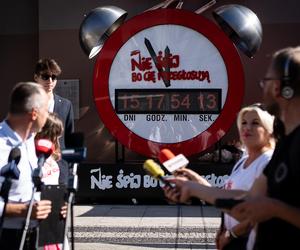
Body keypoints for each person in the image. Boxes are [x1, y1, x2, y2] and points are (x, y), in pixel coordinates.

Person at [164, 47, 300, 249]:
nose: (263, 87)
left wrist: (274, 208)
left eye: (267, 81)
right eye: (244, 123)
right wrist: (194, 188)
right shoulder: (284, 146)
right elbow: (247, 204)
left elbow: (260, 207)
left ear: (280, 88)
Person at [168, 104, 275, 250]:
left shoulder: (267, 162)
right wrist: (195, 181)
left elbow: (256, 213)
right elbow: (225, 197)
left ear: (269, 129)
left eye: (255, 123)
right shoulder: (243, 161)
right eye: (243, 122)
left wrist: (231, 235)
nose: (247, 127)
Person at [0, 82, 52, 250]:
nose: (49, 115)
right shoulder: (1, 144)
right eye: (46, 109)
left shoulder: (30, 141)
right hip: (6, 237)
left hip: (33, 235)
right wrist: (23, 210)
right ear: (34, 113)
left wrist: (53, 208)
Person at [34, 58, 74, 185]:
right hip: (35, 163)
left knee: (59, 204)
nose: (50, 81)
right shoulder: (29, 104)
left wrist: (70, 169)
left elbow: (69, 139)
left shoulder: (66, 105)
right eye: (45, 77)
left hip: (59, 166)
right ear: (36, 77)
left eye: (54, 77)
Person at [35, 113, 68, 249]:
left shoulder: (51, 157)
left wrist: (62, 204)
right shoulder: (30, 157)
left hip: (54, 221)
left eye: (57, 137)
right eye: (52, 136)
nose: (55, 141)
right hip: (37, 220)